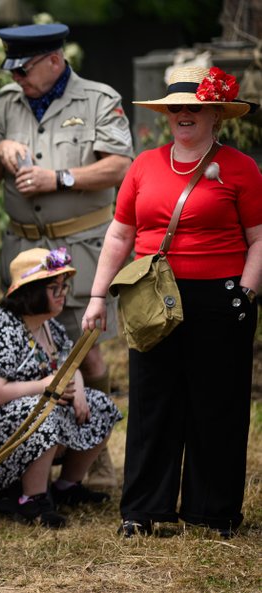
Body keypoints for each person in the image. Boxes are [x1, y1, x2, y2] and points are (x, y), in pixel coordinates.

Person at [82, 66, 262, 538]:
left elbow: (259, 239)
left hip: (221, 298)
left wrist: (246, 290)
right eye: (176, 108)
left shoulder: (242, 168)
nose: (184, 114)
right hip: (150, 297)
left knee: (216, 405)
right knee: (152, 403)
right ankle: (142, 511)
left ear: (215, 115)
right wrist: (98, 296)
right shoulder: (143, 165)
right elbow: (120, 233)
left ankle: (212, 511)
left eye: (194, 108)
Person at [0, 24, 134, 487]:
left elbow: (120, 165)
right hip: (24, 248)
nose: (18, 78)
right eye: (12, 70)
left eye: (24, 69)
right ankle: (37, 447)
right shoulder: (7, 102)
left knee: (85, 351)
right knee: (30, 349)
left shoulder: (97, 99)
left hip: (80, 246)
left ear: (54, 61)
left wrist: (58, 179)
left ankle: (95, 447)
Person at [0, 247, 121, 528]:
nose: (63, 293)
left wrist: (77, 389)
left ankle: (67, 487)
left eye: (64, 286)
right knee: (43, 410)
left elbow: (69, 363)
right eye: (54, 287)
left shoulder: (49, 326)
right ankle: (32, 499)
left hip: (30, 415)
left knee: (99, 403)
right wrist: (45, 386)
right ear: (30, 291)